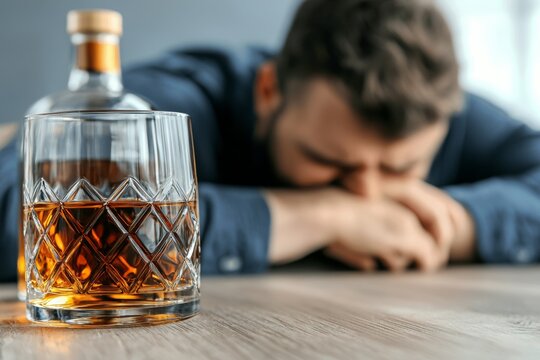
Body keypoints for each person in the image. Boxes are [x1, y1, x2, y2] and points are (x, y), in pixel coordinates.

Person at [1, 0, 539, 280]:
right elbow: (11, 211)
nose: (368, 193)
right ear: (268, 90)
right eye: (329, 163)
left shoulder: (437, 104)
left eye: (401, 171)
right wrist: (322, 216)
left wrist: (457, 224)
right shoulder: (174, 101)